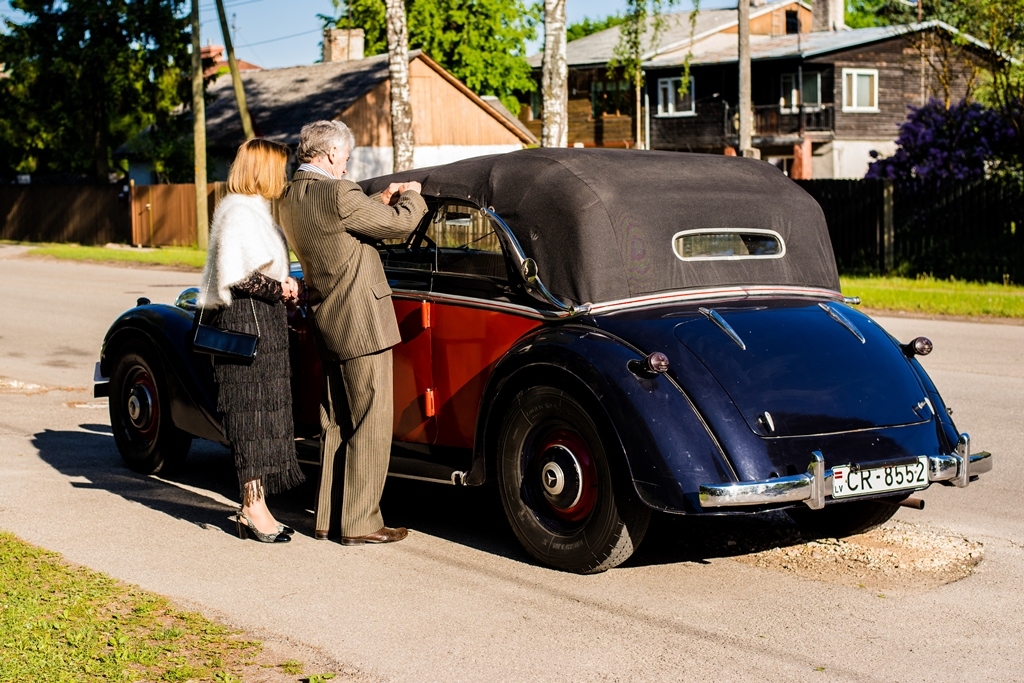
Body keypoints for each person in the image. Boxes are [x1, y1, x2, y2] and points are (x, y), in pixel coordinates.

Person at [279, 119, 426, 545]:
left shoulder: (291, 197)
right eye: (344, 157)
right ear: (328, 156)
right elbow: (398, 227)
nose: (347, 166)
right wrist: (412, 198)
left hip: (328, 317)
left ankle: (327, 516)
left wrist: (372, 201)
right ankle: (361, 522)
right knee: (371, 421)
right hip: (363, 320)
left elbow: (340, 226)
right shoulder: (339, 192)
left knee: (336, 421)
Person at [199, 138, 306, 544]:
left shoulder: (254, 210)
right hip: (246, 321)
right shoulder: (239, 212)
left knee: (265, 412)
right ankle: (252, 508)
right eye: (279, 166)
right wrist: (281, 289)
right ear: (261, 169)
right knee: (251, 415)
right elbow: (238, 276)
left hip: (264, 322)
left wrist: (285, 286)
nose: (284, 173)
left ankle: (257, 505)